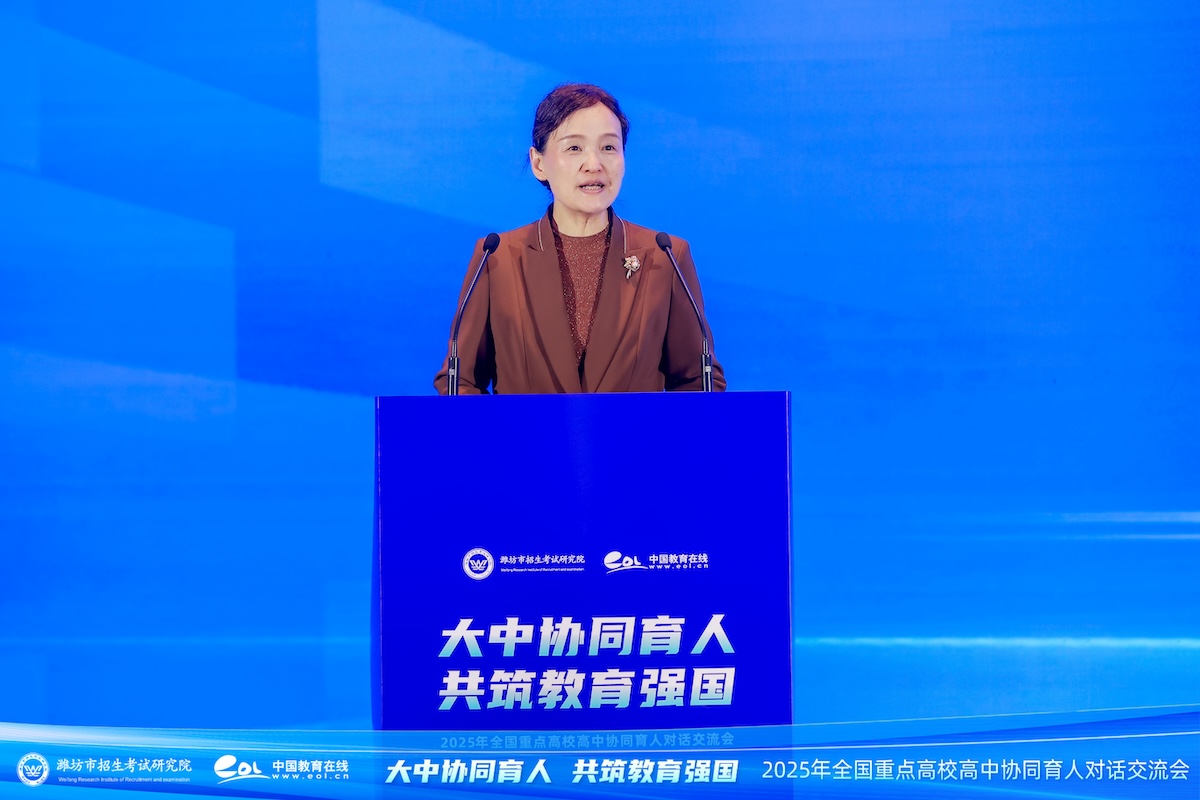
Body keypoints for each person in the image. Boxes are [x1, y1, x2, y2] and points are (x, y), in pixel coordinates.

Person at [434, 83, 726, 394]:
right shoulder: (496, 258)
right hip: (526, 429)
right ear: (538, 163)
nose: (594, 165)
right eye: (574, 148)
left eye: (608, 148)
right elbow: (460, 381)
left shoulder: (665, 256)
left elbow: (697, 381)